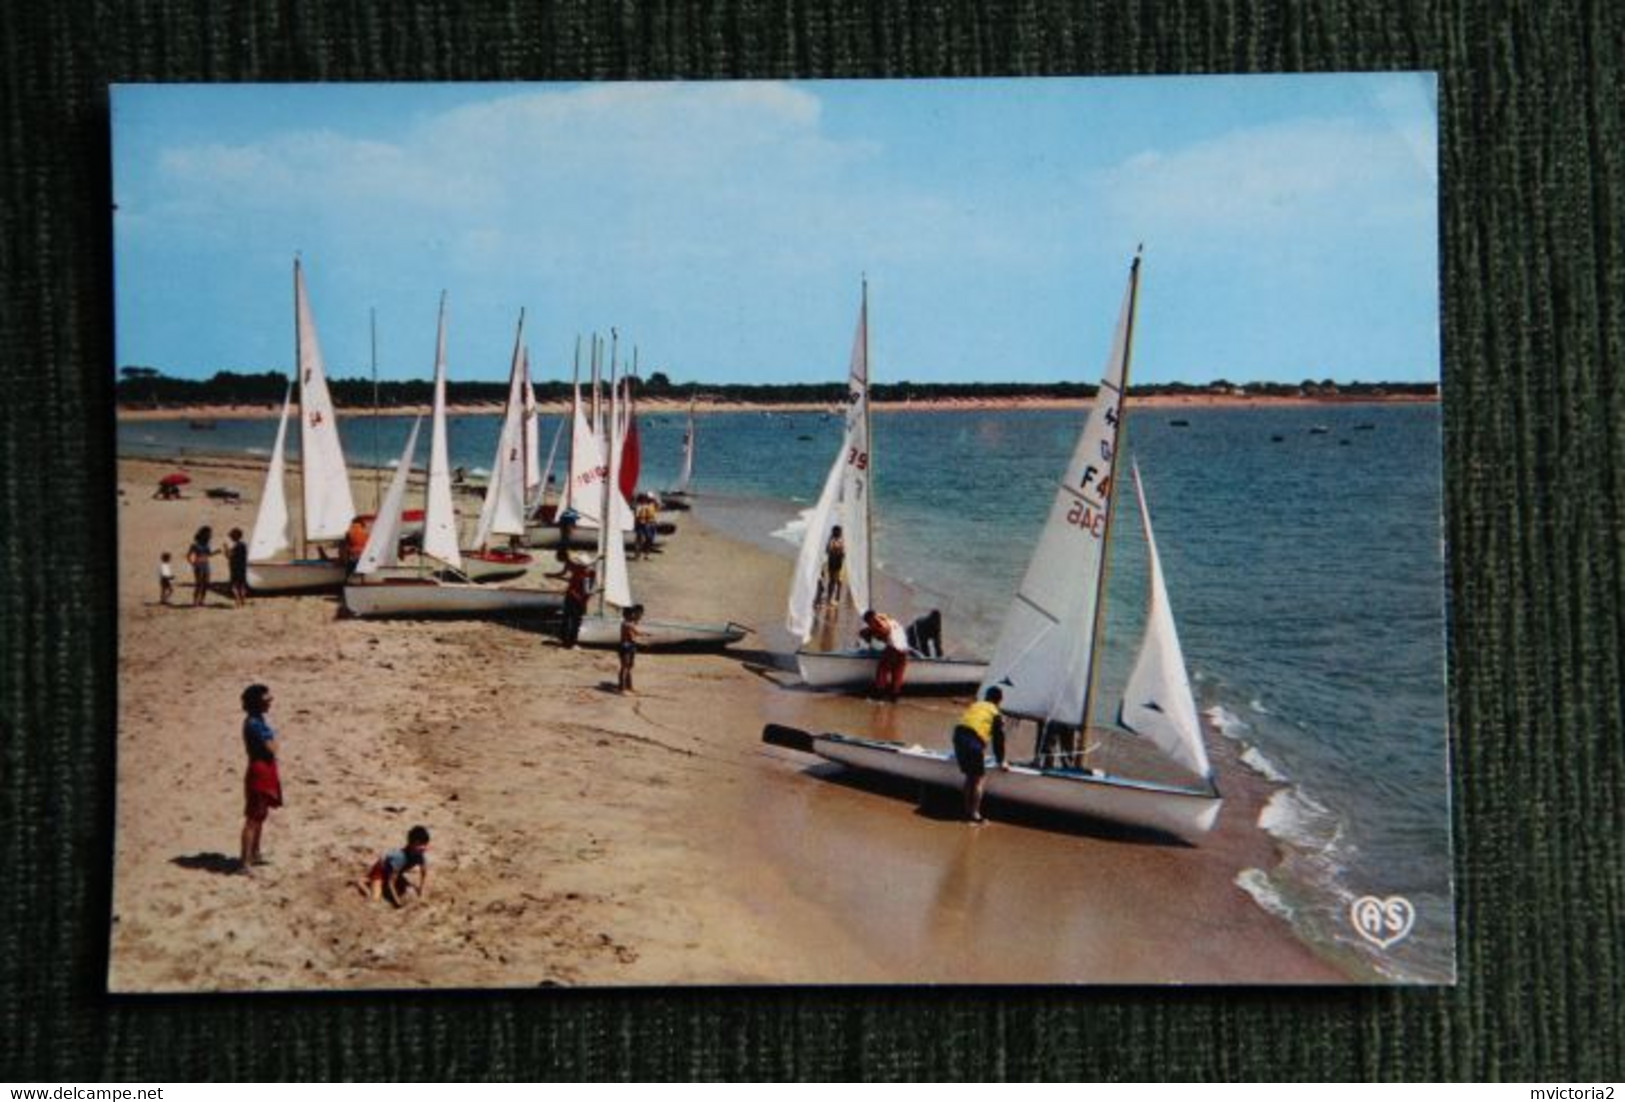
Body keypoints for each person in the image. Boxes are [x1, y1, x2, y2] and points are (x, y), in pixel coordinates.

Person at [238, 683, 282, 872]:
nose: (270, 702)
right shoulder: (255, 724)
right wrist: (273, 737)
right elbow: (272, 747)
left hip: (264, 769)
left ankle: (254, 853)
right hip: (260, 770)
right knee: (253, 817)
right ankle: (245, 861)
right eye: (267, 699)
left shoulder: (257, 721)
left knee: (260, 815)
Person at [952, 686, 1008, 824]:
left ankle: (966, 810)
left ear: (986, 697)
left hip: (958, 735)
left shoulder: (976, 705)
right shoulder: (995, 713)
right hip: (973, 740)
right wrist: (1002, 761)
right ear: (999, 701)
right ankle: (975, 815)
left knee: (969, 776)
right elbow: (998, 740)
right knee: (978, 779)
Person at [357, 825, 432, 905]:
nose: (423, 848)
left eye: (425, 844)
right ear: (412, 844)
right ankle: (361, 881)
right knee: (375, 898)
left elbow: (423, 874)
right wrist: (397, 902)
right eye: (420, 845)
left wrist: (421, 890)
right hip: (380, 871)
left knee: (409, 890)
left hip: (394, 872)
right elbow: (391, 882)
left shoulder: (420, 856)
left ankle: (379, 883)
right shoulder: (399, 857)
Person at [549, 549, 596, 648]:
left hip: (570, 595)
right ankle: (571, 642)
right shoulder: (585, 574)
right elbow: (587, 591)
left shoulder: (577, 571)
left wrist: (552, 576)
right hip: (577, 599)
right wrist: (599, 590)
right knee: (575, 620)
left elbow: (568, 579)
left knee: (567, 618)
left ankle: (564, 639)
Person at [860, 608, 910, 699]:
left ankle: (879, 696)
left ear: (871, 619)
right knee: (897, 674)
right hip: (904, 650)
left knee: (882, 670)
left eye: (868, 622)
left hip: (893, 648)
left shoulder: (879, 623)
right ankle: (894, 698)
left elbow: (884, 631)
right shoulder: (890, 620)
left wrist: (870, 634)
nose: (869, 624)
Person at [816, 526, 847, 609]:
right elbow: (828, 550)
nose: (840, 533)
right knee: (833, 581)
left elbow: (843, 552)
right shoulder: (833, 540)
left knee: (838, 581)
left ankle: (835, 597)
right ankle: (830, 598)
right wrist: (837, 550)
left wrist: (840, 551)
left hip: (837, 563)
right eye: (839, 532)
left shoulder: (839, 540)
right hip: (834, 563)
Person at [617, 603, 646, 693]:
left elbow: (635, 632)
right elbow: (634, 634)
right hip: (625, 647)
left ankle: (629, 686)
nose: (634, 615)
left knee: (629, 667)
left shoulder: (630, 623)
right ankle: (622, 688)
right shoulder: (626, 624)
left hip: (630, 646)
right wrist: (644, 636)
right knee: (625, 667)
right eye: (633, 614)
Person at [186, 526, 217, 607]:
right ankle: (195, 601)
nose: (210, 535)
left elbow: (209, 554)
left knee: (206, 584)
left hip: (206, 565)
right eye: (209, 533)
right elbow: (188, 555)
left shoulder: (207, 544)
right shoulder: (195, 545)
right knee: (199, 584)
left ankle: (201, 601)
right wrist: (192, 563)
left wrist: (217, 552)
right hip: (199, 565)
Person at [225, 527, 250, 608]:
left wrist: (226, 549)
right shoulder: (244, 545)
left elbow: (228, 556)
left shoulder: (235, 547)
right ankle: (243, 600)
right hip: (242, 567)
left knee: (234, 585)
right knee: (242, 584)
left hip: (234, 567)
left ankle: (238, 600)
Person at [633, 494, 659, 559]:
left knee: (649, 539)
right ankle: (638, 554)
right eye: (644, 499)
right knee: (640, 539)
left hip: (649, 523)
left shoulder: (651, 505)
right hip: (642, 524)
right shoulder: (639, 506)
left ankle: (646, 554)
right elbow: (637, 515)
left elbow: (657, 508)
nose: (645, 500)